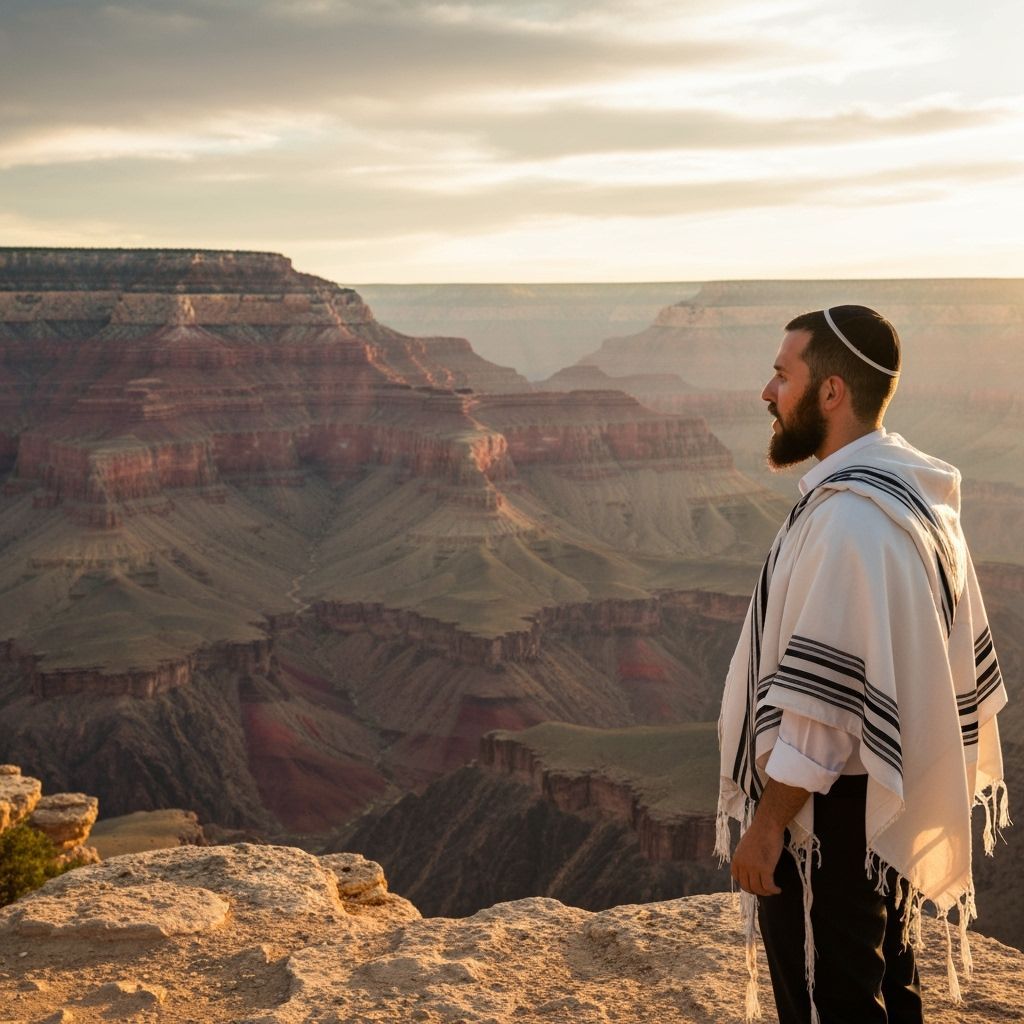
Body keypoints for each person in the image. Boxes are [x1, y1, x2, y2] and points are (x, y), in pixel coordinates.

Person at [715, 305, 1009, 1024]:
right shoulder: (912, 495)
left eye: (782, 376)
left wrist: (767, 827)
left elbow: (823, 715)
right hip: (885, 794)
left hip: (827, 824)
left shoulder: (851, 522)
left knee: (827, 1000)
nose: (766, 393)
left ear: (831, 393)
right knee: (883, 985)